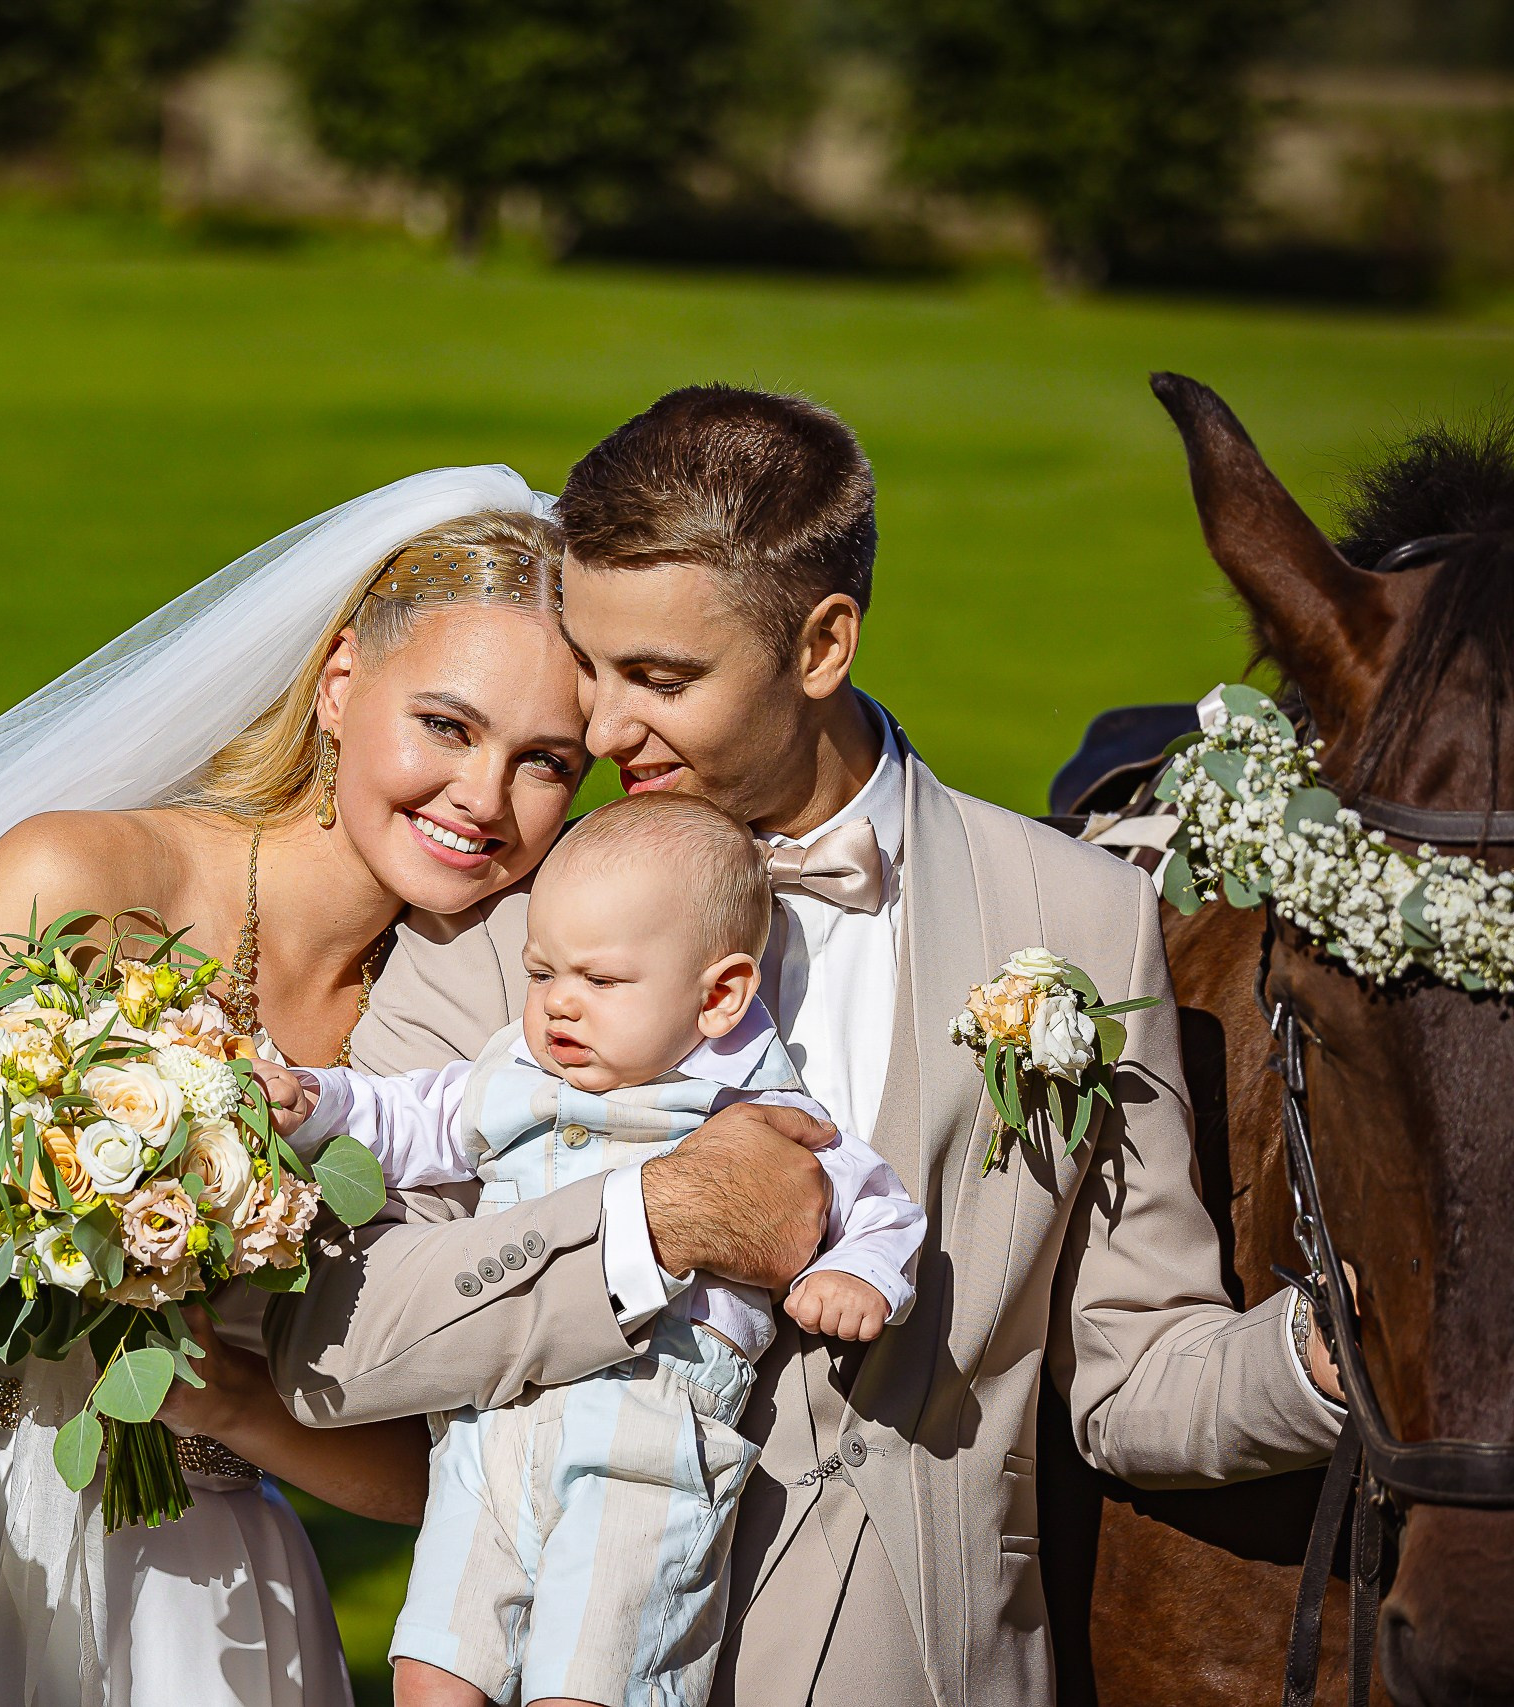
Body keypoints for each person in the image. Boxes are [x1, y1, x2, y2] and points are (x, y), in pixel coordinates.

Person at [262, 386, 1347, 1705]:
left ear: (824, 641)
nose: (601, 730)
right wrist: (652, 1216)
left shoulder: (1076, 913)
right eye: (593, 664)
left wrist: (1337, 1355)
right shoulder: (504, 925)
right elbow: (335, 1343)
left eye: (661, 678)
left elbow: (1133, 1375)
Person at [0, 470, 594, 1706]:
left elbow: (449, 1475)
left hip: (206, 1608)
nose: (482, 799)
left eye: (546, 760)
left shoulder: (488, 1036)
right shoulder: (71, 877)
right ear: (341, 683)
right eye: (446, 725)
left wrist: (235, 1404)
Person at [259, 789, 924, 1707]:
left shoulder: (759, 1111)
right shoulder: (513, 1073)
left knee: (596, 1676)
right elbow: (407, 1118)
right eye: (541, 973)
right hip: (486, 1431)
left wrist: (858, 1272)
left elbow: (878, 1203)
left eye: (600, 982)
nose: (558, 1005)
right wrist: (317, 1102)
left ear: (720, 994)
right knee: (432, 1669)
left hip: (647, 1440)